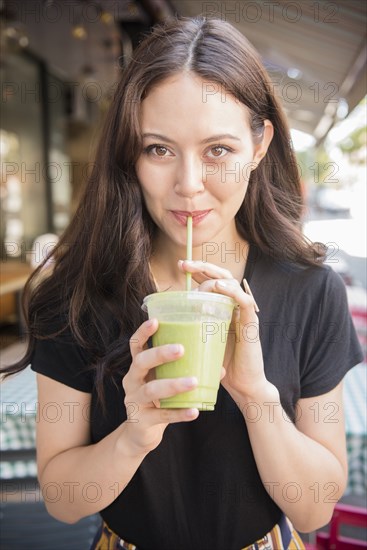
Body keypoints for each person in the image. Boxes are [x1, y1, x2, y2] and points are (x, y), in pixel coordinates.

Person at [3, 16, 363, 550]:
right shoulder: (75, 296)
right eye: (159, 149)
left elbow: (311, 510)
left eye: (218, 149)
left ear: (259, 144)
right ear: (130, 152)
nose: (188, 186)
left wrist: (257, 397)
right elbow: (63, 498)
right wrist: (134, 434)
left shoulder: (311, 292)